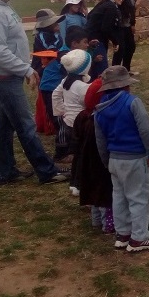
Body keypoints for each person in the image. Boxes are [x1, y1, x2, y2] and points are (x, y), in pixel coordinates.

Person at [0, 0, 69, 185]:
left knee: (4, 126)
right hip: (3, 79)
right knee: (25, 125)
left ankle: (5, 171)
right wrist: (25, 68)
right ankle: (47, 171)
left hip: (5, 76)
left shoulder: (1, 8)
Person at [94, 65, 149, 252]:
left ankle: (123, 233)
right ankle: (139, 237)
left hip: (114, 159)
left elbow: (100, 139)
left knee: (119, 196)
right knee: (139, 196)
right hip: (134, 158)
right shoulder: (132, 102)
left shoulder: (99, 108)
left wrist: (106, 160)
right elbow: (145, 129)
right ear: (126, 86)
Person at [74, 76, 114, 235]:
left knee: (93, 192)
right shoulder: (98, 121)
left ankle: (96, 220)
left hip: (86, 161)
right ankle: (108, 225)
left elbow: (76, 137)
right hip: (100, 162)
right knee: (104, 193)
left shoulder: (83, 116)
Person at [52, 49, 93, 196]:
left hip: (69, 124)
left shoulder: (66, 81)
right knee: (84, 155)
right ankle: (80, 185)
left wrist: (61, 111)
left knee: (77, 156)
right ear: (85, 68)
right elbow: (89, 104)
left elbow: (55, 94)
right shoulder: (83, 87)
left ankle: (74, 184)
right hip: (82, 126)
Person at [86, 0, 124, 80]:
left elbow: (90, 16)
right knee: (101, 71)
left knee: (94, 68)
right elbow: (106, 28)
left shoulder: (104, 5)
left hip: (93, 39)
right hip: (97, 41)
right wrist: (115, 41)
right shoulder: (110, 7)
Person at [113, 0, 138, 74]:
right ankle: (115, 72)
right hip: (120, 26)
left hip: (127, 26)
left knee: (131, 46)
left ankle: (126, 69)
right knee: (120, 49)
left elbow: (132, 11)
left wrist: (132, 24)